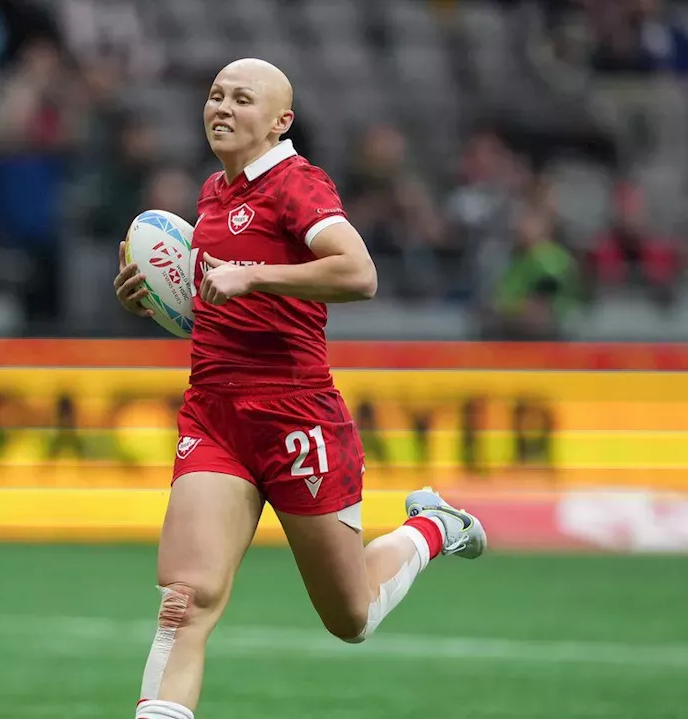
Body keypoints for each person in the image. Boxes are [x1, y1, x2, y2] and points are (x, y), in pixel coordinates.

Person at [112, 58, 489, 719]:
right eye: (216, 96)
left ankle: (434, 527)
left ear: (281, 120)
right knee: (185, 599)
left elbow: (359, 271)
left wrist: (251, 275)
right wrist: (153, 300)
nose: (223, 108)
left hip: (296, 417)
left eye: (243, 99)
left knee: (351, 615)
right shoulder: (213, 192)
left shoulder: (297, 184)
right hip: (216, 413)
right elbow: (219, 299)